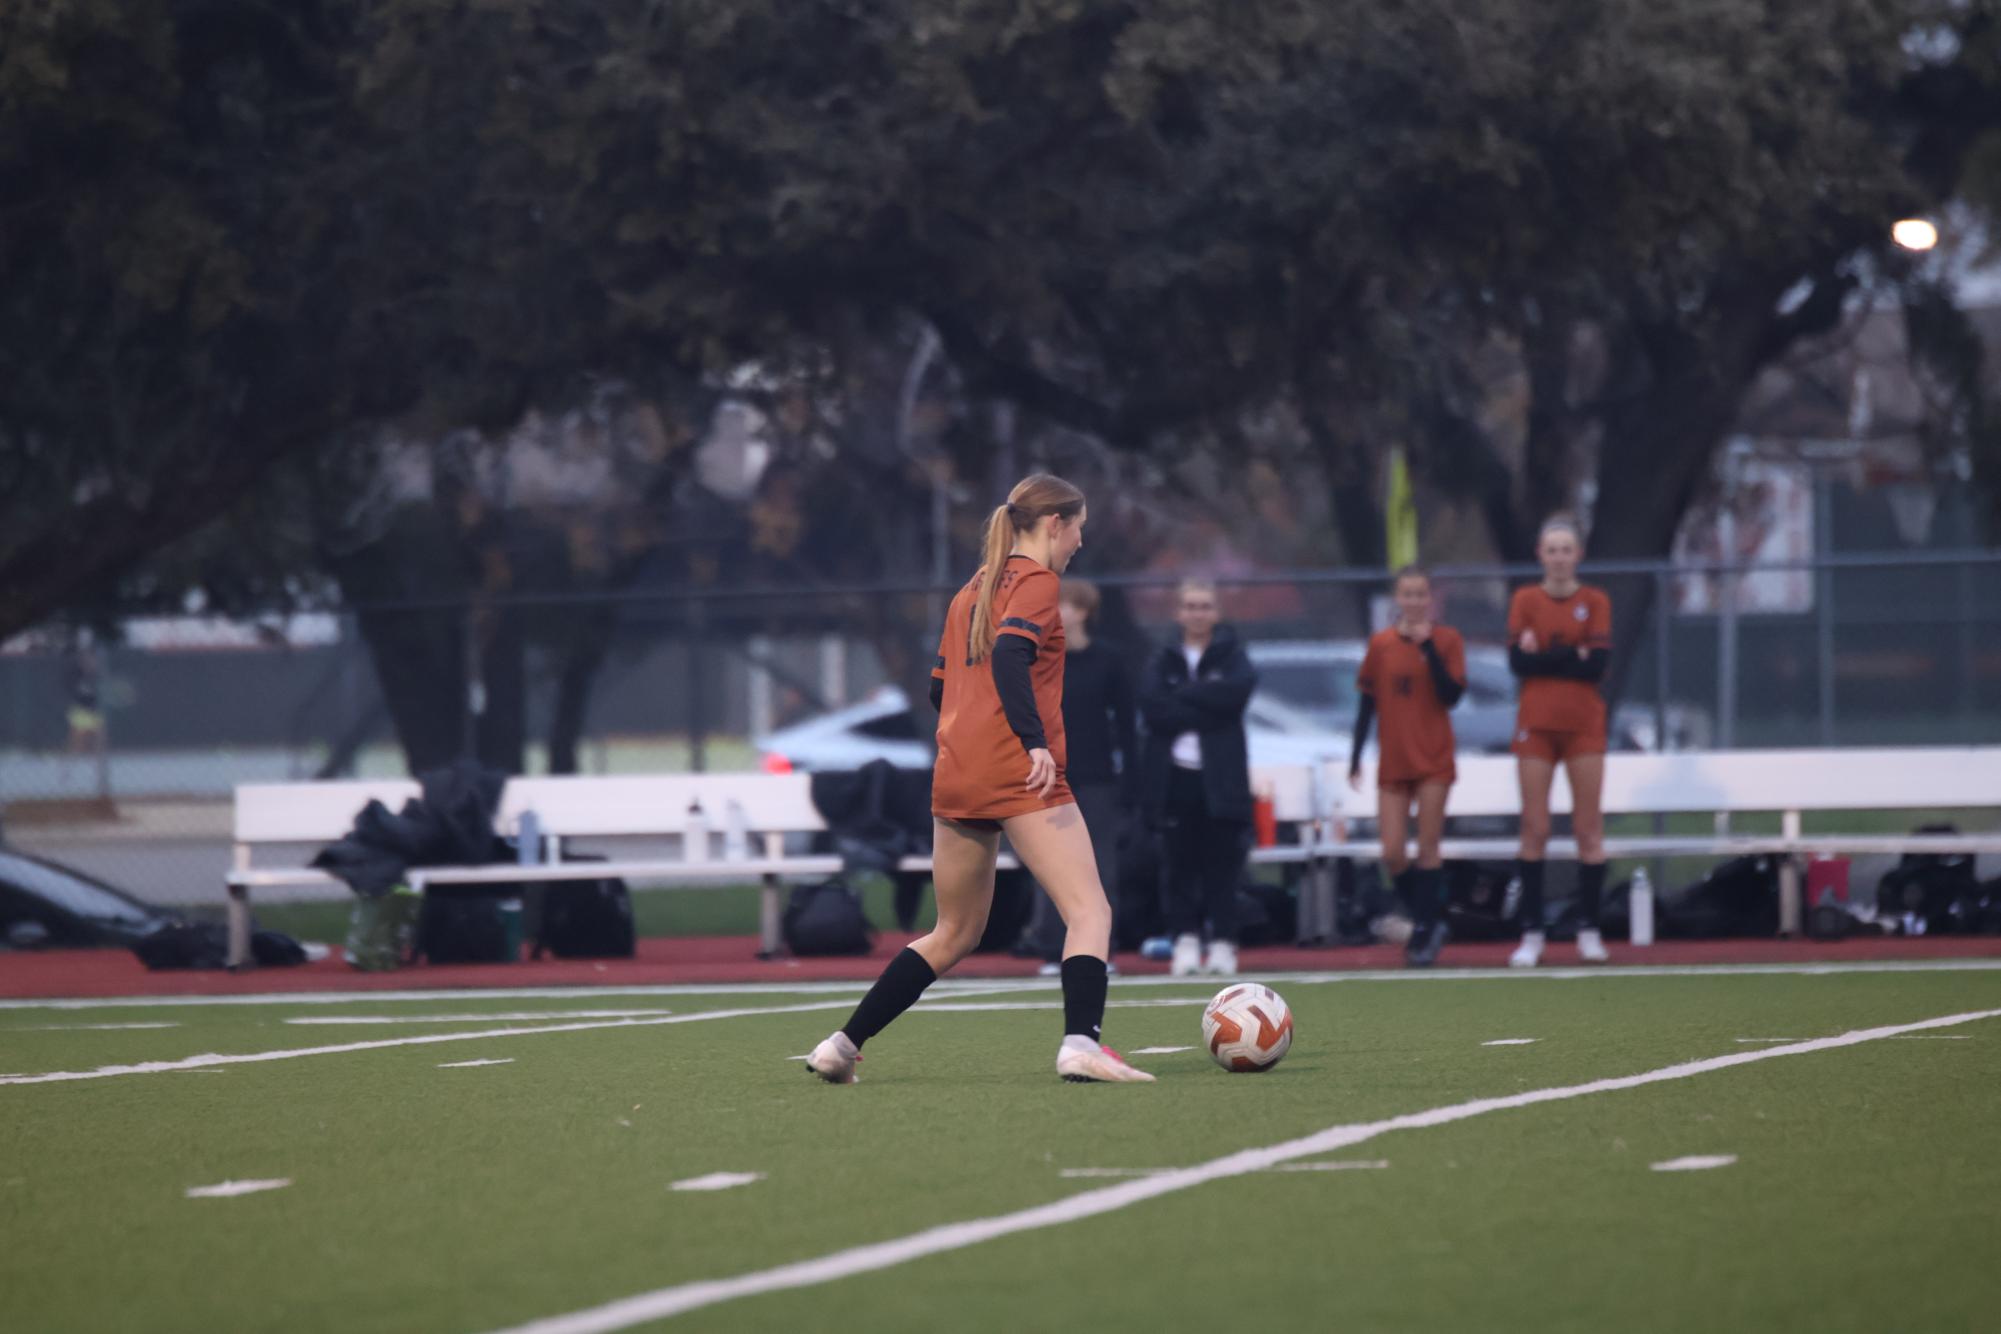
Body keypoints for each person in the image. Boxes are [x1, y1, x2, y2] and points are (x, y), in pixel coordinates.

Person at [806, 475, 1152, 1084]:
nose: (1079, 541)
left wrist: (976, 733)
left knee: (955, 931)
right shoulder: (1040, 583)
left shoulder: (972, 588)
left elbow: (940, 689)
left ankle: (841, 1044)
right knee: (1090, 911)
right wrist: (1034, 742)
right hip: (1017, 772)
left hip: (957, 773)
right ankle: (1080, 1044)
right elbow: (1011, 655)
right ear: (1054, 525)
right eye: (1079, 527)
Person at [1014, 578, 1138, 972]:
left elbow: (1125, 723)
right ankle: (1053, 949)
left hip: (1097, 777)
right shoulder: (1039, 661)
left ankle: (1101, 949)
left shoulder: (1109, 660)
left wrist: (1130, 776)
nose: (1057, 613)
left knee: (1100, 865)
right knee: (1050, 865)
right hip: (1049, 777)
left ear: (1083, 611)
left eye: (1065, 606)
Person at [1506, 514, 1613, 968]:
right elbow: (1518, 663)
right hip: (1536, 725)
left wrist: (1548, 654)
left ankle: (1588, 928)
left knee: (1588, 829)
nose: (1559, 557)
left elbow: (1596, 667)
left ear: (1578, 554)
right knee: (1536, 828)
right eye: (1552, 550)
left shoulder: (1595, 600)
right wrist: (1572, 652)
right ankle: (1532, 932)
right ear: (1540, 555)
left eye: (1567, 549)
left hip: (1584, 726)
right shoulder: (1526, 599)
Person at [1349, 566, 1466, 967]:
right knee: (1394, 851)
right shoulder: (1381, 645)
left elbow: (1451, 695)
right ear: (1397, 598)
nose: (1414, 601)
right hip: (1394, 760)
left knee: (1428, 846)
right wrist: (1354, 758)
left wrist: (1428, 649)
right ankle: (1427, 919)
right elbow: (1367, 702)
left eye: (1421, 594)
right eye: (1407, 594)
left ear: (1429, 598)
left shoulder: (1447, 640)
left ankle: (1423, 931)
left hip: (1433, 758)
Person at [1139, 579, 1257, 978]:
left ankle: (1223, 943)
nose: (1197, 613)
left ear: (1216, 612)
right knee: (1178, 864)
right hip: (1175, 779)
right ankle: (1185, 941)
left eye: (1205, 606)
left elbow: (1236, 696)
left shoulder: (1233, 656)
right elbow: (1155, 710)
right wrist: (1206, 698)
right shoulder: (1163, 658)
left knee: (1222, 865)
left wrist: (1184, 696)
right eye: (1190, 606)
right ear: (1179, 612)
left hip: (1220, 780)